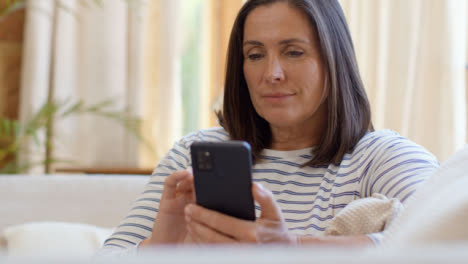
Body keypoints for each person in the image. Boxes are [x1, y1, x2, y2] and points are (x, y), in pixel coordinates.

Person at [100, 0, 438, 254]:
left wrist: (288, 248)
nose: (272, 73)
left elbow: (445, 244)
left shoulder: (385, 158)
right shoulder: (191, 156)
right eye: (255, 54)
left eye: (293, 52)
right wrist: (163, 245)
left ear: (334, 60)